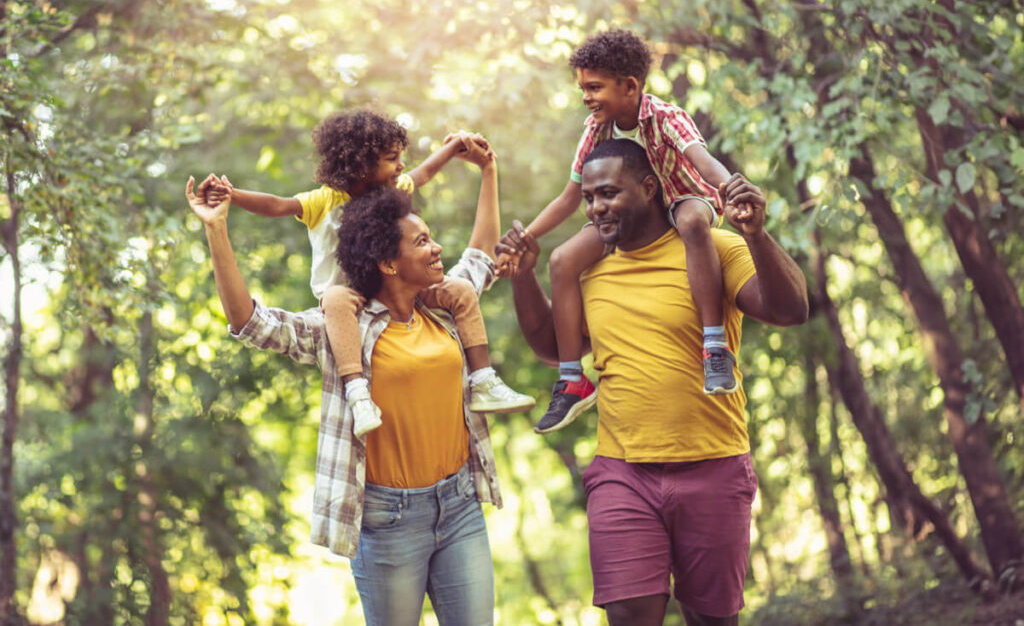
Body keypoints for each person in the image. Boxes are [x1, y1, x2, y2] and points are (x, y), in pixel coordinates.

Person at [497, 139, 808, 626]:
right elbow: (556, 349)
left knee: (712, 619)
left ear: (648, 188)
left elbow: (790, 310)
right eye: (590, 198)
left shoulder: (712, 248)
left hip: (714, 464)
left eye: (608, 194)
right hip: (624, 472)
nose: (596, 208)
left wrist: (757, 236)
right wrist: (522, 276)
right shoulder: (588, 268)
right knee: (627, 614)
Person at [187, 164, 507, 625]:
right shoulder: (341, 330)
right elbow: (250, 323)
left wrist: (489, 173)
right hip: (388, 519)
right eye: (422, 242)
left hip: (459, 507)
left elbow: (481, 256)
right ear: (388, 263)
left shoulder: (447, 308)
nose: (437, 248)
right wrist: (217, 228)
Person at [205, 109, 533, 437]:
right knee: (337, 299)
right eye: (392, 158)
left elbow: (427, 174)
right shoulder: (326, 200)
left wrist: (462, 150)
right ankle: (357, 392)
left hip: (392, 292)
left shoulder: (396, 198)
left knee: (460, 289)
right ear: (361, 164)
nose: (401, 166)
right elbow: (277, 206)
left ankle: (484, 380)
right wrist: (230, 199)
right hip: (344, 302)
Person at [508, 28, 746, 434]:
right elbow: (569, 198)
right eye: (582, 87)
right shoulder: (596, 128)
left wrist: (732, 190)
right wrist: (523, 239)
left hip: (686, 198)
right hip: (628, 215)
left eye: (594, 87)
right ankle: (571, 379)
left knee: (690, 222)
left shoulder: (665, 117)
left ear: (630, 86)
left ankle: (713, 346)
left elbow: (701, 161)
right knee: (564, 260)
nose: (586, 96)